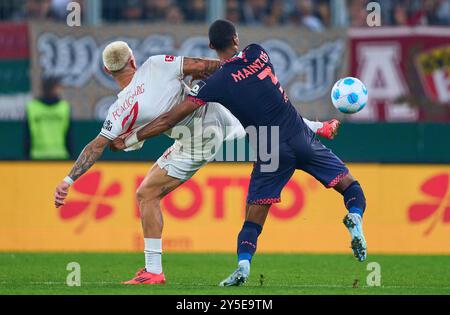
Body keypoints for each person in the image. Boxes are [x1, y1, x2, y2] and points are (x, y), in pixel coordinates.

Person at [54, 41, 338, 285]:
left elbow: (96, 146)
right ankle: (315, 126)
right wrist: (236, 72)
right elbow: (204, 66)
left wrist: (68, 180)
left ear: (108, 71)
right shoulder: (156, 64)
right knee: (262, 118)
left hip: (197, 142)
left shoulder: (120, 108)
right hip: (217, 111)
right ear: (132, 60)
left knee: (146, 194)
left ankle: (153, 271)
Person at [116, 20, 367, 287]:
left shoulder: (217, 85)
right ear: (236, 39)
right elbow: (256, 87)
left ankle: (243, 265)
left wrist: (132, 137)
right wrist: (320, 127)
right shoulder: (259, 52)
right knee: (351, 186)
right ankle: (355, 217)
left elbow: (168, 119)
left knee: (253, 219)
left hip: (270, 148)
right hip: (300, 136)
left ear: (212, 46)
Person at [26, 76, 72, 160]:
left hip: (53, 156)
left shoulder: (33, 107)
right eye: (58, 87)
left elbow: (68, 134)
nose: (60, 90)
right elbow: (27, 134)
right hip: (42, 157)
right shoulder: (63, 107)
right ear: (52, 88)